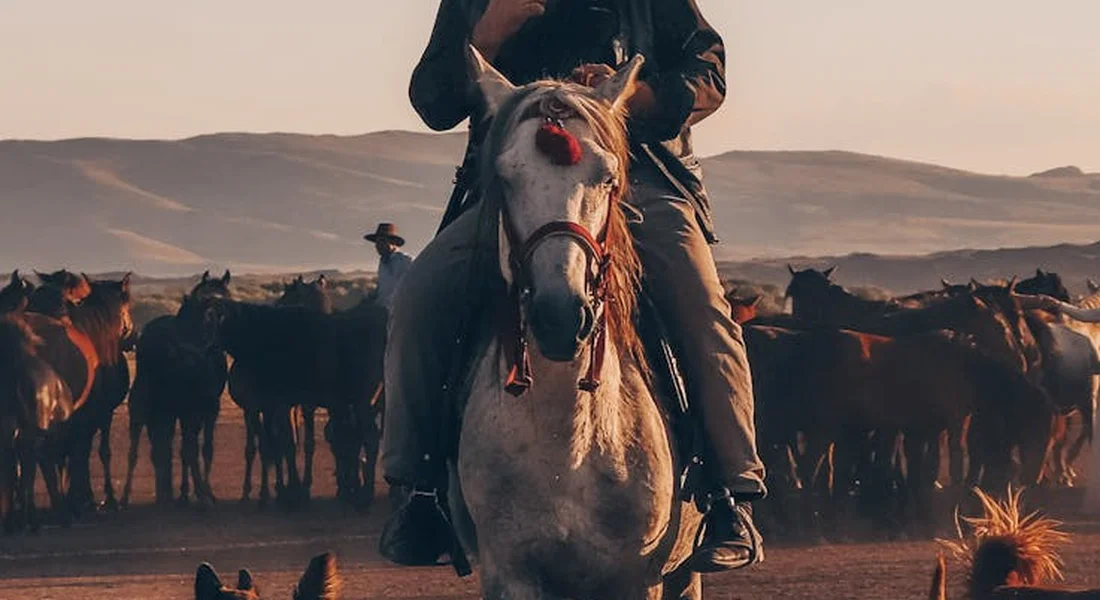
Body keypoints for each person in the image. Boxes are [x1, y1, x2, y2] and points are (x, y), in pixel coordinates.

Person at [381, 0, 766, 573]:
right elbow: (433, 100)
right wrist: (484, 38)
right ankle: (420, 493)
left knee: (702, 305)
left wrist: (638, 97)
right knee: (417, 299)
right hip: (513, 193)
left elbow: (707, 70)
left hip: (632, 182)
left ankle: (730, 495)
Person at [364, 223, 413, 311]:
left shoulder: (404, 261)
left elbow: (410, 287)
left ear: (392, 243)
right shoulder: (382, 263)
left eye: (382, 241)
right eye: (377, 242)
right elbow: (383, 289)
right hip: (382, 311)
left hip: (399, 311)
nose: (378, 245)